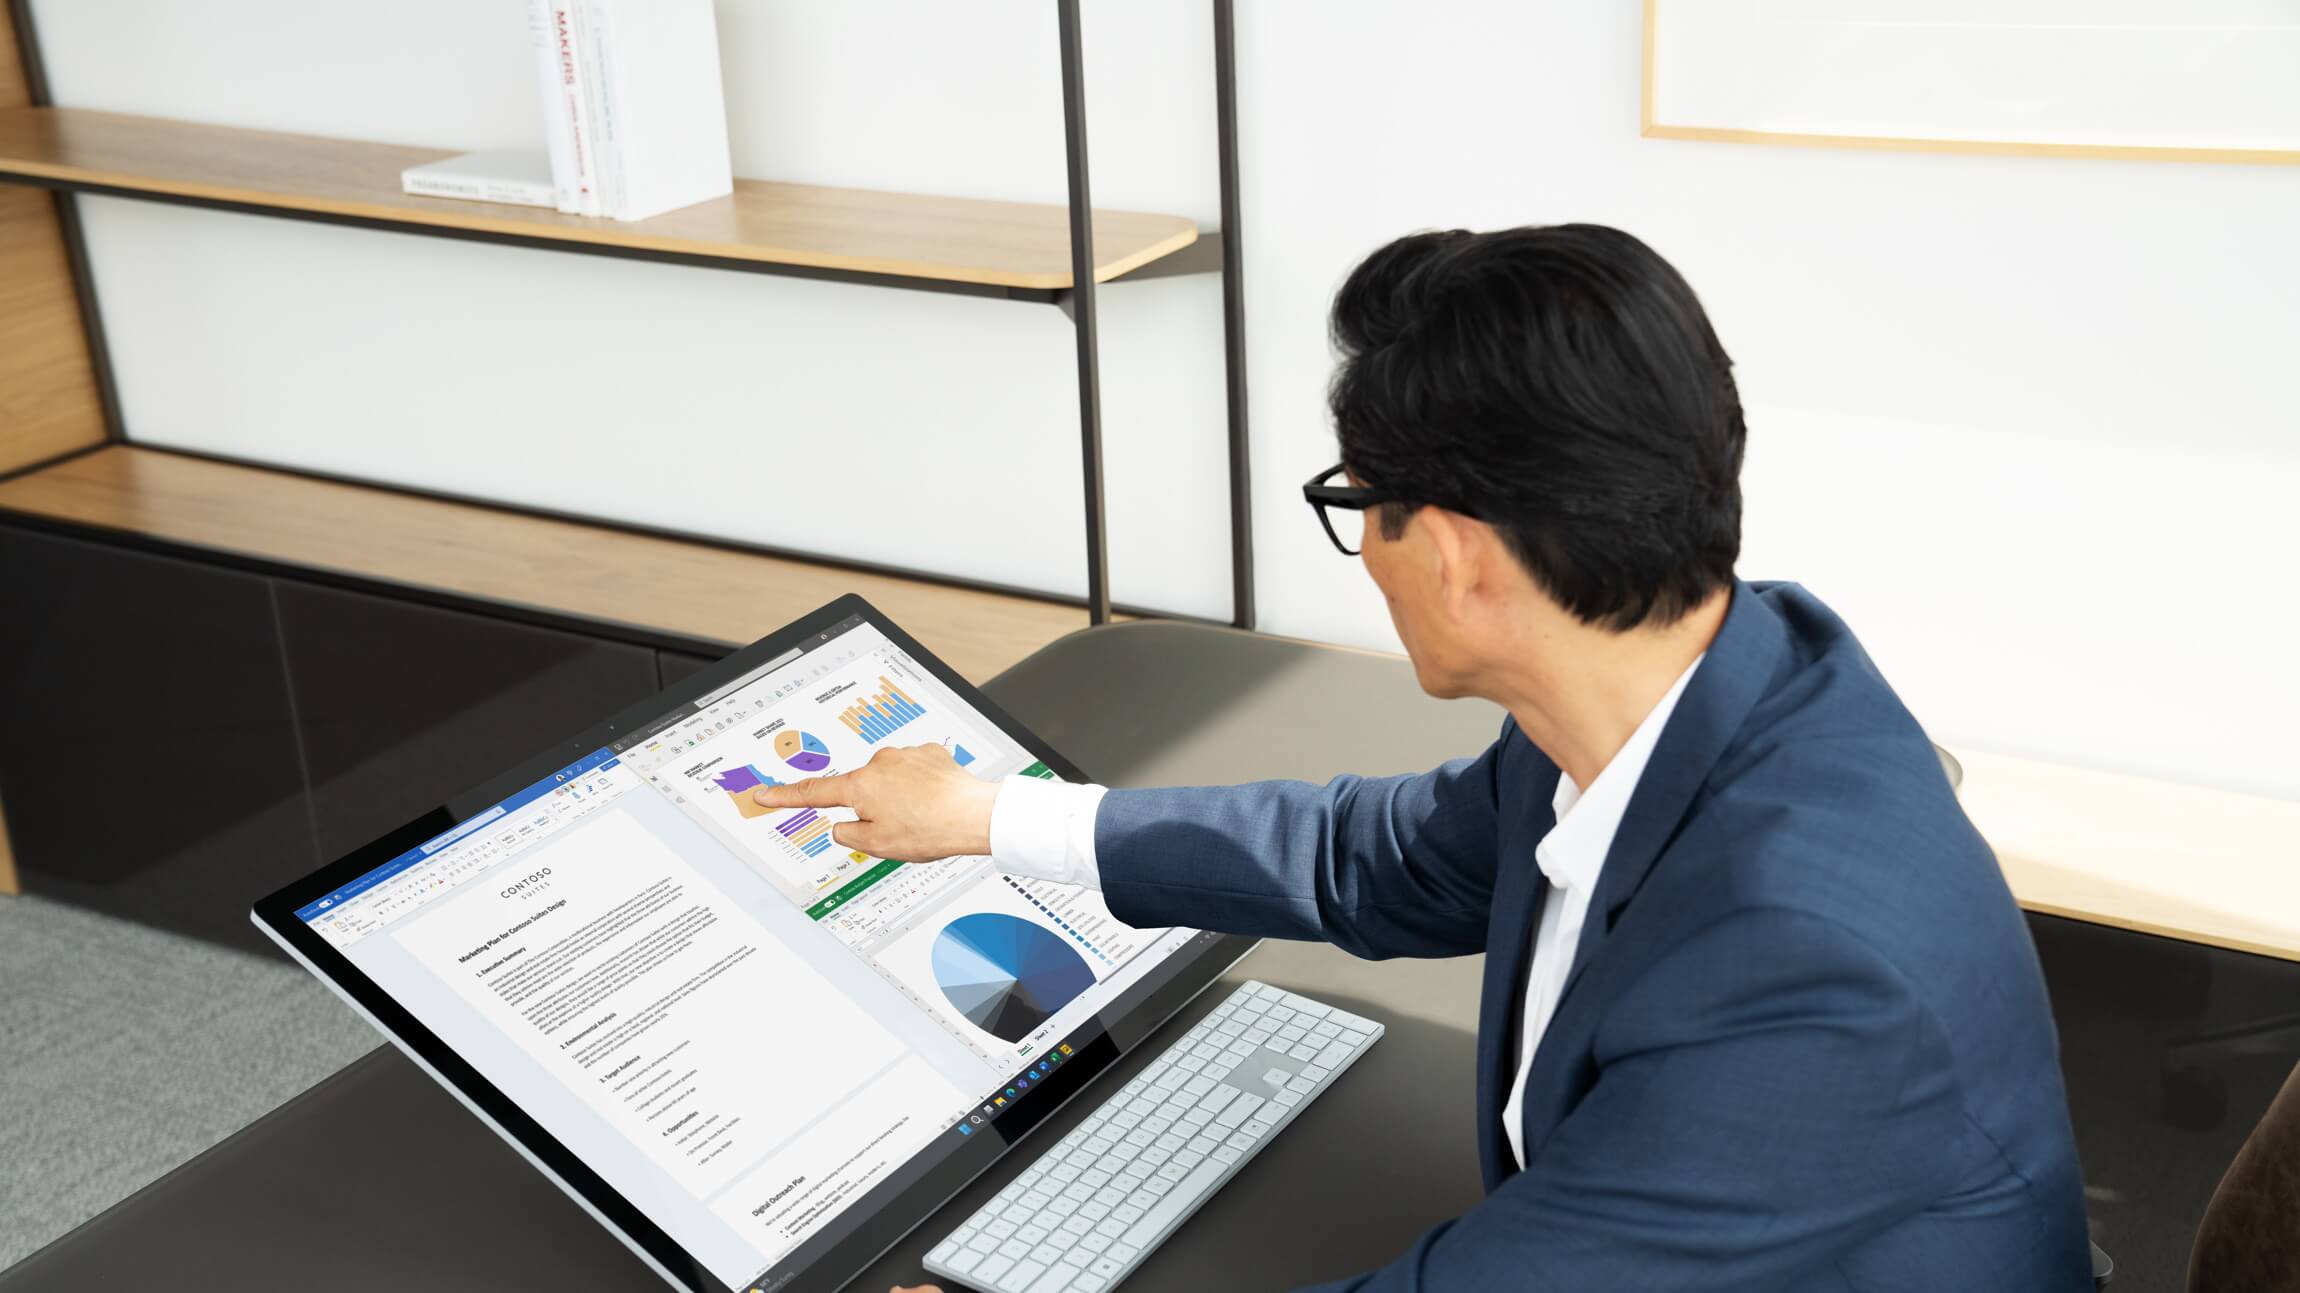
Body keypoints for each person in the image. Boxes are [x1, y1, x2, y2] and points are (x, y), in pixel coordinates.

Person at [756, 225, 2093, 1290]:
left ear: (1451, 553)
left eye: (1357, 507)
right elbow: (1374, 855)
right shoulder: (1707, 684)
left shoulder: (1801, 963)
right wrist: (992, 818)